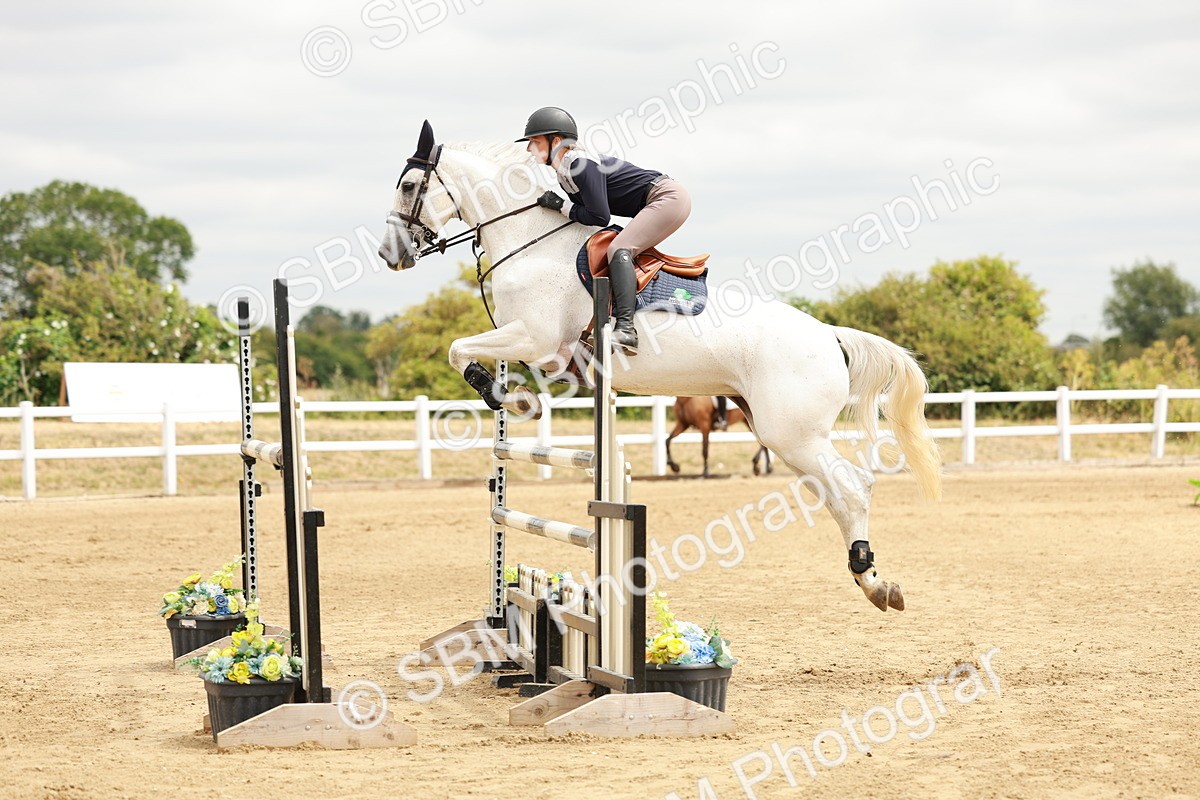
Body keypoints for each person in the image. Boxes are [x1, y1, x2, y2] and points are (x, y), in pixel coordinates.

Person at [517, 106, 691, 355]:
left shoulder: (579, 164)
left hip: (667, 197)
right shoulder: (565, 171)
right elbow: (584, 215)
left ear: (556, 140)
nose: (528, 148)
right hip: (658, 200)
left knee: (620, 248)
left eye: (534, 141)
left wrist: (561, 205)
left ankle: (627, 330)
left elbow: (599, 216)